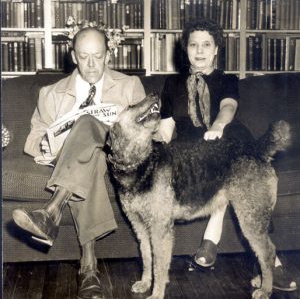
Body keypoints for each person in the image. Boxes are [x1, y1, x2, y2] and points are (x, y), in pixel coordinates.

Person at [157, 18, 297, 292]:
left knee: (248, 179)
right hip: (192, 152)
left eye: (206, 44)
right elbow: (165, 131)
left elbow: (228, 107)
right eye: (194, 45)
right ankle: (269, 262)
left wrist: (219, 125)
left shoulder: (226, 79)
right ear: (185, 49)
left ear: (217, 49)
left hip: (227, 140)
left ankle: (213, 239)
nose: (199, 51)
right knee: (219, 171)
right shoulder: (172, 84)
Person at [12, 27, 146, 299]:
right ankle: (89, 266)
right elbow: (33, 137)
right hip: (80, 161)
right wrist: (46, 145)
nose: (92, 64)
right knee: (90, 158)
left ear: (109, 54)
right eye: (84, 57)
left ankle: (52, 210)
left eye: (98, 56)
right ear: (73, 56)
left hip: (118, 156)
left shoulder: (130, 85)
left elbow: (148, 131)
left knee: (86, 123)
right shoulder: (50, 93)